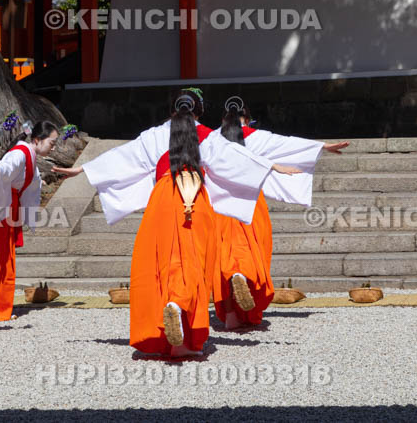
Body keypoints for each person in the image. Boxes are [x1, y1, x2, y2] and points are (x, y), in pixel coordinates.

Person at [54, 88, 302, 357]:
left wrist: (82, 169)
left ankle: (171, 313)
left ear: (172, 110)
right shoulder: (208, 136)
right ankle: (182, 322)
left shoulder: (154, 136)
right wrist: (272, 167)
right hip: (196, 198)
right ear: (199, 111)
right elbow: (236, 157)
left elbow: (123, 157)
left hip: (164, 198)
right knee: (194, 262)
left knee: (166, 262)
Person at [213, 96, 349, 328]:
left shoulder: (212, 139)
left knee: (223, 254)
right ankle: (243, 276)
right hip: (250, 203)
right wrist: (321, 147)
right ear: (247, 118)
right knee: (254, 249)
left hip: (220, 204)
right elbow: (287, 144)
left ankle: (231, 314)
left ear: (224, 118)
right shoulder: (255, 137)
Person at [0, 120, 58, 322]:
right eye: (52, 143)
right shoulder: (20, 153)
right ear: (37, 140)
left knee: (0, 257)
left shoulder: (29, 156)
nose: (54, 148)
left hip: (5, 204)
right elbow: (8, 165)